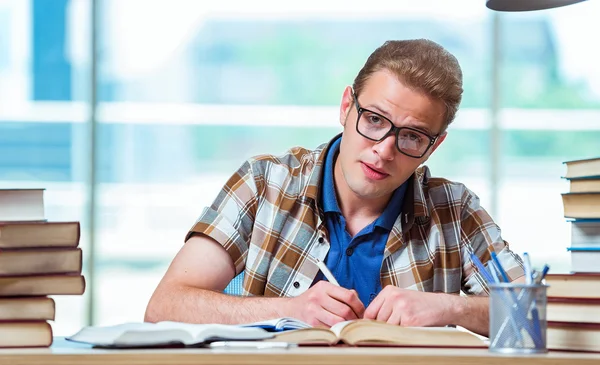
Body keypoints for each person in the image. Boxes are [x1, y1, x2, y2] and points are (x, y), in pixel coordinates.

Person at [145, 39, 525, 336]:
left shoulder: (454, 209)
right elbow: (165, 307)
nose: (384, 150)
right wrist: (288, 311)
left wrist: (448, 308)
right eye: (374, 119)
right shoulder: (264, 183)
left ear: (434, 146)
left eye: (411, 136)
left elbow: (536, 313)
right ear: (347, 106)